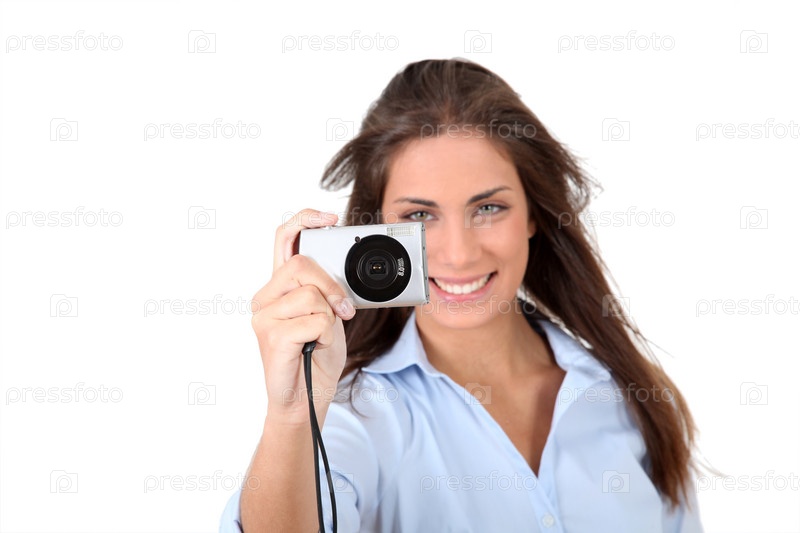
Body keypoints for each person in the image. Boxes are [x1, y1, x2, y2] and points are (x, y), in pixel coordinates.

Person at [219, 59, 703, 532]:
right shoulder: (355, 417)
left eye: (488, 207)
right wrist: (291, 416)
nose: (458, 253)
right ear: (378, 229)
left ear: (533, 214)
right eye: (420, 216)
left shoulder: (628, 397)